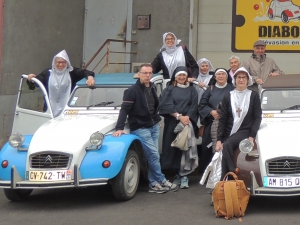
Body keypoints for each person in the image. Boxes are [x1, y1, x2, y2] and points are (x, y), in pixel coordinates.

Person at [113, 63, 178, 194]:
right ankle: (161, 180)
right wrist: (119, 128)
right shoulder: (131, 91)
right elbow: (124, 110)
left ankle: (154, 184)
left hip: (153, 126)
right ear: (139, 74)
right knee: (153, 155)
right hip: (140, 127)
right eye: (145, 73)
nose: (148, 76)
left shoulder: (152, 87)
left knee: (152, 156)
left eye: (150, 73)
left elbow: (155, 106)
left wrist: (156, 120)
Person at [215, 67, 262, 179]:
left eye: (243, 77)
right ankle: (224, 182)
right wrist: (219, 139)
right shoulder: (228, 96)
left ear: (248, 80)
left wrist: (252, 135)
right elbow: (223, 119)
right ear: (235, 79)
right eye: (239, 77)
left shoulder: (253, 95)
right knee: (225, 149)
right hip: (229, 131)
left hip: (245, 130)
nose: (241, 80)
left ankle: (231, 173)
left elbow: (257, 117)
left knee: (227, 145)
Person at [159, 66, 198, 189]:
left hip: (187, 123)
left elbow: (194, 105)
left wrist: (187, 118)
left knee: (185, 148)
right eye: (179, 75)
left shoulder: (192, 90)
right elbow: (166, 104)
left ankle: (184, 175)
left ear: (187, 77)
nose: (182, 77)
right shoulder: (169, 89)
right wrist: (178, 116)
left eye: (184, 75)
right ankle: (176, 174)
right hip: (172, 122)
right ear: (175, 77)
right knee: (174, 148)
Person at [27, 50, 95, 117]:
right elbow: (34, 84)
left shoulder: (71, 72)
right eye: (58, 62)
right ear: (54, 62)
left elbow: (85, 72)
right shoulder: (48, 73)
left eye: (63, 62)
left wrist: (90, 77)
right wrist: (30, 79)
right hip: (50, 109)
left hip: (68, 108)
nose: (61, 64)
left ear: (67, 62)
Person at [198, 68, 234, 174]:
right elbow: (202, 105)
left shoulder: (232, 89)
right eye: (219, 74)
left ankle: (225, 171)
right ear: (215, 77)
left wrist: (225, 114)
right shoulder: (211, 89)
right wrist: (211, 112)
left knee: (226, 146)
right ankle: (208, 172)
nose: (221, 76)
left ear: (227, 77)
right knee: (207, 147)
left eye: (223, 74)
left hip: (228, 124)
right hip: (212, 122)